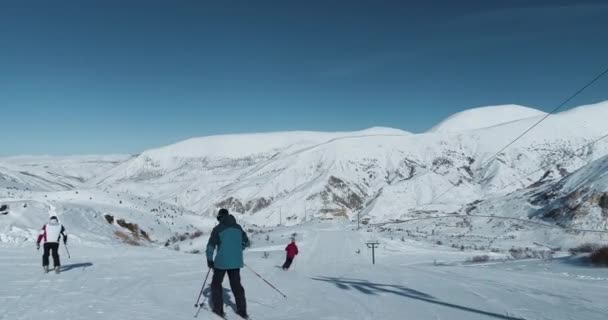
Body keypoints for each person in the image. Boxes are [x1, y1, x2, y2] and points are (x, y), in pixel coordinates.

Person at [206, 208, 250, 318]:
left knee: (216, 284)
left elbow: (211, 246)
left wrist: (210, 260)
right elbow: (246, 242)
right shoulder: (238, 227)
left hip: (221, 262)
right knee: (236, 285)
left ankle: (218, 310)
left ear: (220, 217)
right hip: (236, 262)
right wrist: (237, 250)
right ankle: (242, 311)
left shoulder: (217, 229)